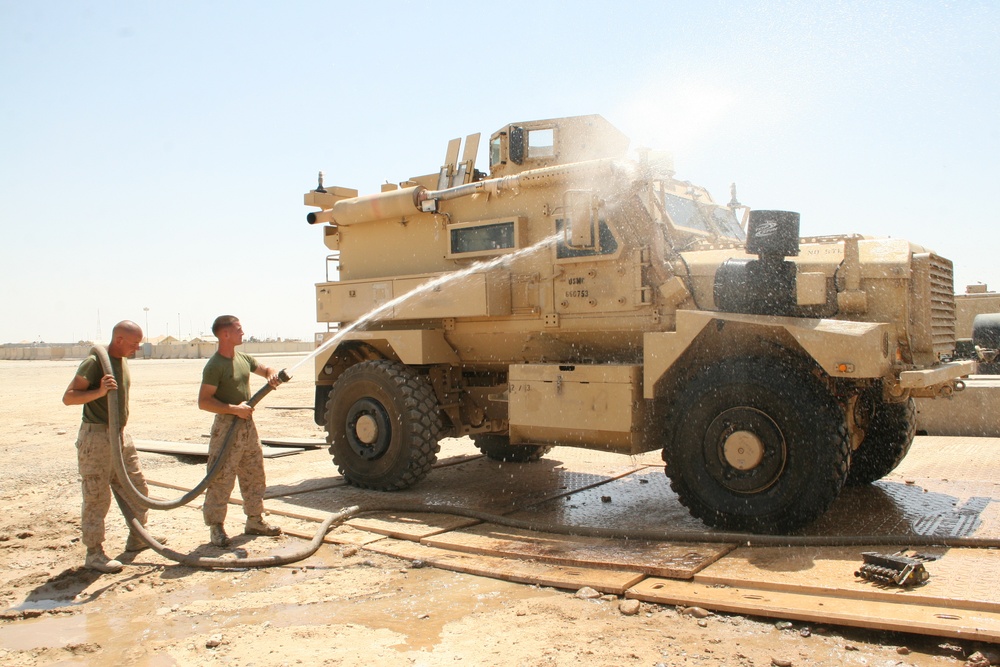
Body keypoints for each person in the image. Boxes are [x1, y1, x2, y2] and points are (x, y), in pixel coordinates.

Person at [62, 320, 161, 573]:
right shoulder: (95, 362)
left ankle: (138, 538)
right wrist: (99, 392)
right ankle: (94, 553)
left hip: (120, 435)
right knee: (97, 497)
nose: (138, 348)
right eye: (134, 343)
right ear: (119, 340)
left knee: (137, 488)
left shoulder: (122, 361)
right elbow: (69, 397)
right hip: (96, 438)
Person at [198, 315, 282, 547]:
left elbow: (264, 368)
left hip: (246, 423)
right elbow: (204, 402)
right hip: (227, 425)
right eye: (238, 329)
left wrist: (271, 375)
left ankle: (254, 520)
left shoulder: (242, 358)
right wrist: (234, 409)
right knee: (221, 476)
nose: (242, 333)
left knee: (253, 472)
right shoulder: (215, 366)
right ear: (225, 334)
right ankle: (216, 527)